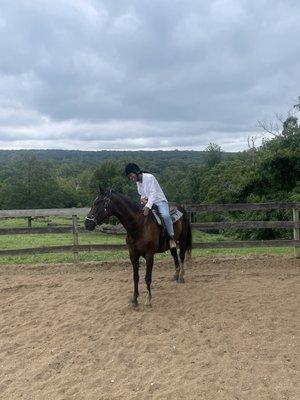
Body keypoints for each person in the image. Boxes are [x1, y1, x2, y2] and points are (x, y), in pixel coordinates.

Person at [125, 163, 176, 248]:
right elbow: (142, 193)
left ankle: (171, 237)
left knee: (166, 216)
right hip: (149, 202)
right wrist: (143, 198)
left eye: (131, 175)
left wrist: (147, 207)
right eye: (129, 177)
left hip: (160, 202)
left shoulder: (150, 177)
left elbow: (153, 193)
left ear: (136, 172)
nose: (131, 178)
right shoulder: (138, 182)